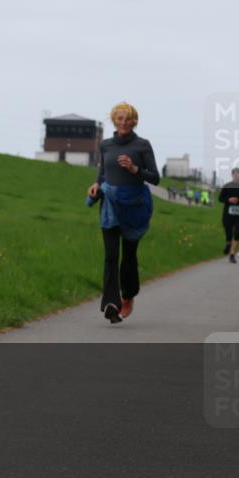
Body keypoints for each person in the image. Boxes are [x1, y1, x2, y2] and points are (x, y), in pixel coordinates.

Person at [87, 102, 159, 323]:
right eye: (119, 118)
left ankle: (128, 296)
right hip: (109, 206)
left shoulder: (142, 145)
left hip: (133, 206)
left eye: (128, 118)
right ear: (113, 120)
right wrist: (96, 186)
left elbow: (155, 178)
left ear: (134, 121)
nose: (124, 122)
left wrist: (134, 169)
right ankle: (111, 303)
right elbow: (103, 174)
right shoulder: (106, 145)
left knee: (128, 257)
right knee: (110, 256)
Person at [218, 168, 239, 263]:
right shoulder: (227, 186)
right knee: (228, 232)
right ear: (232, 175)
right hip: (227, 214)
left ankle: (232, 255)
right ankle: (228, 243)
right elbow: (220, 198)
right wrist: (229, 200)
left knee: (237, 233)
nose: (237, 175)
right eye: (235, 174)